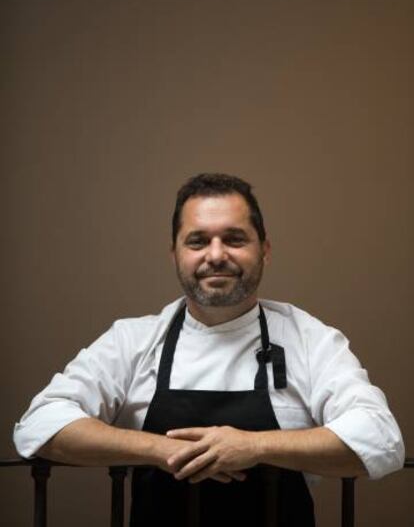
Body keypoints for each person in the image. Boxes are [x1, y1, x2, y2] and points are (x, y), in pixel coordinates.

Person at [14, 173, 404, 526]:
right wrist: (158, 449)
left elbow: (380, 438)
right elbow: (41, 424)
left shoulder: (309, 338)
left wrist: (254, 445)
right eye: (198, 241)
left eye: (234, 239)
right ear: (175, 254)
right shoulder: (132, 340)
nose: (216, 255)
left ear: (264, 249)